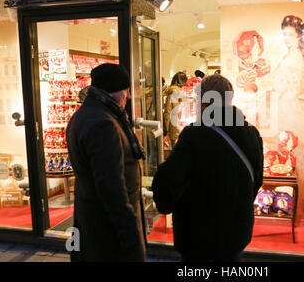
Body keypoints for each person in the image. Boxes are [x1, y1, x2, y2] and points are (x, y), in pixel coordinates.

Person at [152, 74, 264, 262]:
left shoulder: (193, 135)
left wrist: (165, 203)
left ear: (202, 101)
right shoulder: (250, 133)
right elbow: (257, 179)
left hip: (198, 233)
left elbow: (170, 180)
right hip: (235, 230)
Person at [66, 63, 146, 262]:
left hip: (92, 217)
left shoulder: (84, 115)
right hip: (106, 229)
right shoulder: (104, 124)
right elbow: (111, 187)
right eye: (126, 91)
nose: (128, 97)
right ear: (115, 91)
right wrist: (131, 238)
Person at [163, 71, 188, 148]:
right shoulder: (186, 93)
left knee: (176, 153)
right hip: (185, 126)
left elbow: (167, 112)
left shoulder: (171, 93)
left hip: (174, 128)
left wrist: (166, 130)